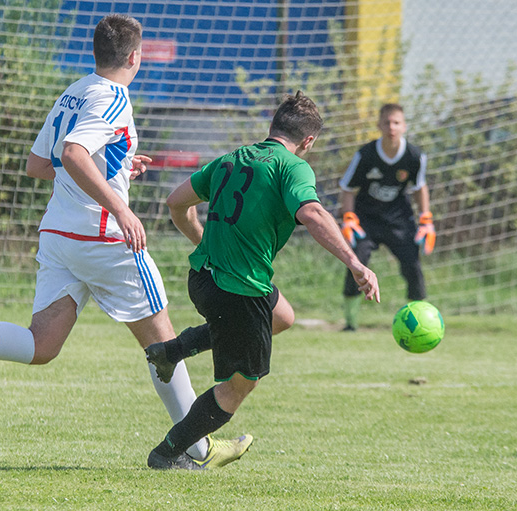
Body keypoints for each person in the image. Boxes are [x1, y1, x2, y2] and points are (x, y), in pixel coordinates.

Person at [0, 14, 249, 468]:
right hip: (105, 239)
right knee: (164, 342)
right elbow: (71, 155)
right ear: (134, 56)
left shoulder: (74, 91)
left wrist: (118, 166)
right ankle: (196, 447)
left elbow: (38, 164)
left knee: (41, 345)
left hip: (60, 235)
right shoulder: (114, 97)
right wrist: (120, 206)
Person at [143, 91, 381, 470]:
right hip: (239, 291)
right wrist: (355, 263)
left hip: (202, 278)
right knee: (241, 384)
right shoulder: (293, 166)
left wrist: (204, 242)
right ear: (309, 141)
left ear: (273, 127)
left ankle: (172, 351)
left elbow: (175, 202)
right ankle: (168, 453)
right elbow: (315, 215)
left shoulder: (231, 159)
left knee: (282, 316)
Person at [338, 103, 434, 331]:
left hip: (399, 219)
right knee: (356, 263)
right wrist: (349, 217)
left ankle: (420, 321)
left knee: (412, 264)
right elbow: (347, 188)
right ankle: (350, 322)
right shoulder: (365, 154)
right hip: (366, 219)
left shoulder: (415, 156)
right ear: (379, 125)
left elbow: (420, 187)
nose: (392, 127)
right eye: (387, 122)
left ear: (404, 126)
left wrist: (426, 219)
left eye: (396, 122)